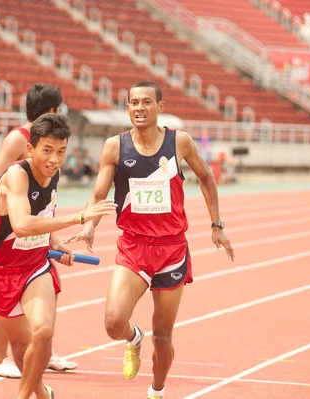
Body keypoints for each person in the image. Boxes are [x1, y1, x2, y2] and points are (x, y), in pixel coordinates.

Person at [65, 81, 235, 399]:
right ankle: (133, 338)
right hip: (133, 246)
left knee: (164, 337)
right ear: (127, 108)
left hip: (171, 250)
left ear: (160, 106)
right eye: (133, 102)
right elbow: (100, 192)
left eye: (146, 102)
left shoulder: (178, 142)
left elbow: (206, 178)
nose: (139, 108)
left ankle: (156, 391)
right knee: (114, 322)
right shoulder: (115, 147)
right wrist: (89, 224)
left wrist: (216, 225)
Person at [0, 114, 116, 399]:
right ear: (30, 149)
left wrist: (55, 242)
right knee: (20, 348)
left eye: (61, 151)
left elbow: (44, 216)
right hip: (2, 273)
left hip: (34, 267)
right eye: (47, 150)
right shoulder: (17, 175)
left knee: (42, 333)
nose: (54, 159)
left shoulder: (53, 174)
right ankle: (43, 394)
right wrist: (79, 217)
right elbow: (21, 225)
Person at [0, 83, 79, 378]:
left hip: (35, 220)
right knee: (8, 287)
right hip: (10, 221)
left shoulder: (52, 149)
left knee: (45, 283)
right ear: (51, 110)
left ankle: (41, 346)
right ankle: (0, 358)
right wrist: (10, 217)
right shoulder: (17, 139)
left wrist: (49, 235)